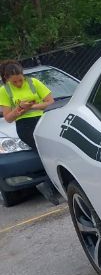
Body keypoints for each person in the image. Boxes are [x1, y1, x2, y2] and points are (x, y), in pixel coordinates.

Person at [0, 60, 62, 204]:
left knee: (54, 151)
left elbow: (50, 102)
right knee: (45, 151)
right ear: (7, 80)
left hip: (42, 120)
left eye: (20, 80)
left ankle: (52, 183)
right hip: (25, 125)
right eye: (14, 82)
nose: (18, 84)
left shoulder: (33, 82)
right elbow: (8, 118)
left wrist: (33, 107)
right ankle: (49, 185)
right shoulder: (4, 91)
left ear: (23, 75)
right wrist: (19, 109)